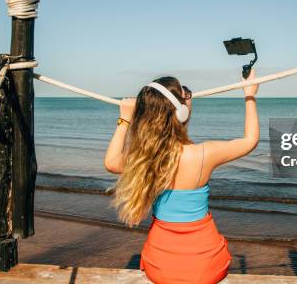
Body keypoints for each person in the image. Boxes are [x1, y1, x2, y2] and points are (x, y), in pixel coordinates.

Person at [104, 70, 259, 284]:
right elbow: (250, 140)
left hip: (161, 268)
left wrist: (124, 119)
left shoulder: (148, 158)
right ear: (181, 112)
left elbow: (111, 162)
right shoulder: (205, 154)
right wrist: (249, 95)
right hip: (206, 267)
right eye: (186, 93)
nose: (190, 97)